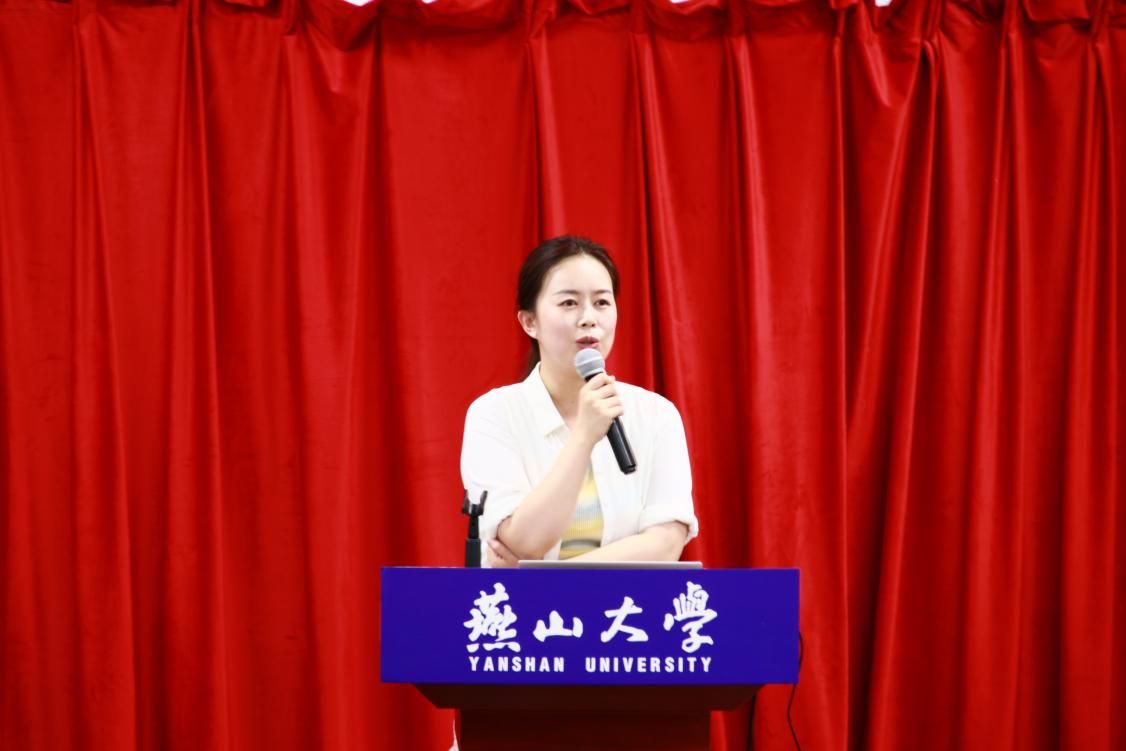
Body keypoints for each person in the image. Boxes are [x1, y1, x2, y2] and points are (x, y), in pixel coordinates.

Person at [460, 235, 698, 568]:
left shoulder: (656, 414)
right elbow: (526, 541)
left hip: (620, 603)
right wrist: (584, 437)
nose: (589, 318)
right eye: (569, 303)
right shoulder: (494, 414)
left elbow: (665, 545)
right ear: (530, 322)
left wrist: (540, 577)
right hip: (521, 604)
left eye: (602, 302)